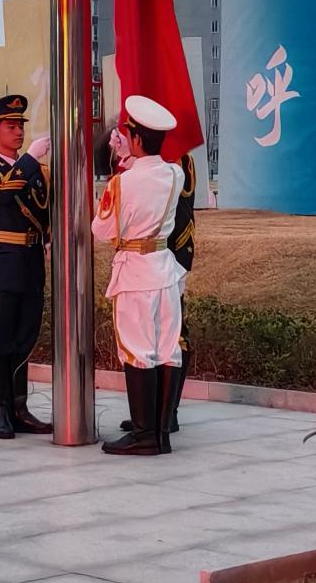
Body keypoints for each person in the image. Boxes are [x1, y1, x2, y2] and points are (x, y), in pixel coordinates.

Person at [93, 95, 186, 456]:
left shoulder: (122, 183)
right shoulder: (175, 174)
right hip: (165, 267)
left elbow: (101, 230)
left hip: (134, 271)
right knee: (167, 349)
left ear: (134, 139)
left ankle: (144, 434)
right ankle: (161, 433)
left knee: (136, 350)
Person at [0, 94, 52, 440]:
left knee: (23, 338)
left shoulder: (38, 173)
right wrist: (31, 158)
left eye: (20, 125)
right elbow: (2, 193)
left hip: (30, 264)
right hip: (2, 263)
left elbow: (46, 212)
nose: (18, 132)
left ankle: (20, 410)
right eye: (10, 126)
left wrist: (48, 238)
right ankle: (0, 412)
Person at [119, 150, 194, 436]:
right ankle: (151, 416)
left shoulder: (176, 158)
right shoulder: (152, 160)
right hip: (152, 257)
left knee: (171, 337)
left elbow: (179, 209)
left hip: (170, 253)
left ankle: (167, 414)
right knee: (150, 338)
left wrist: (181, 261)